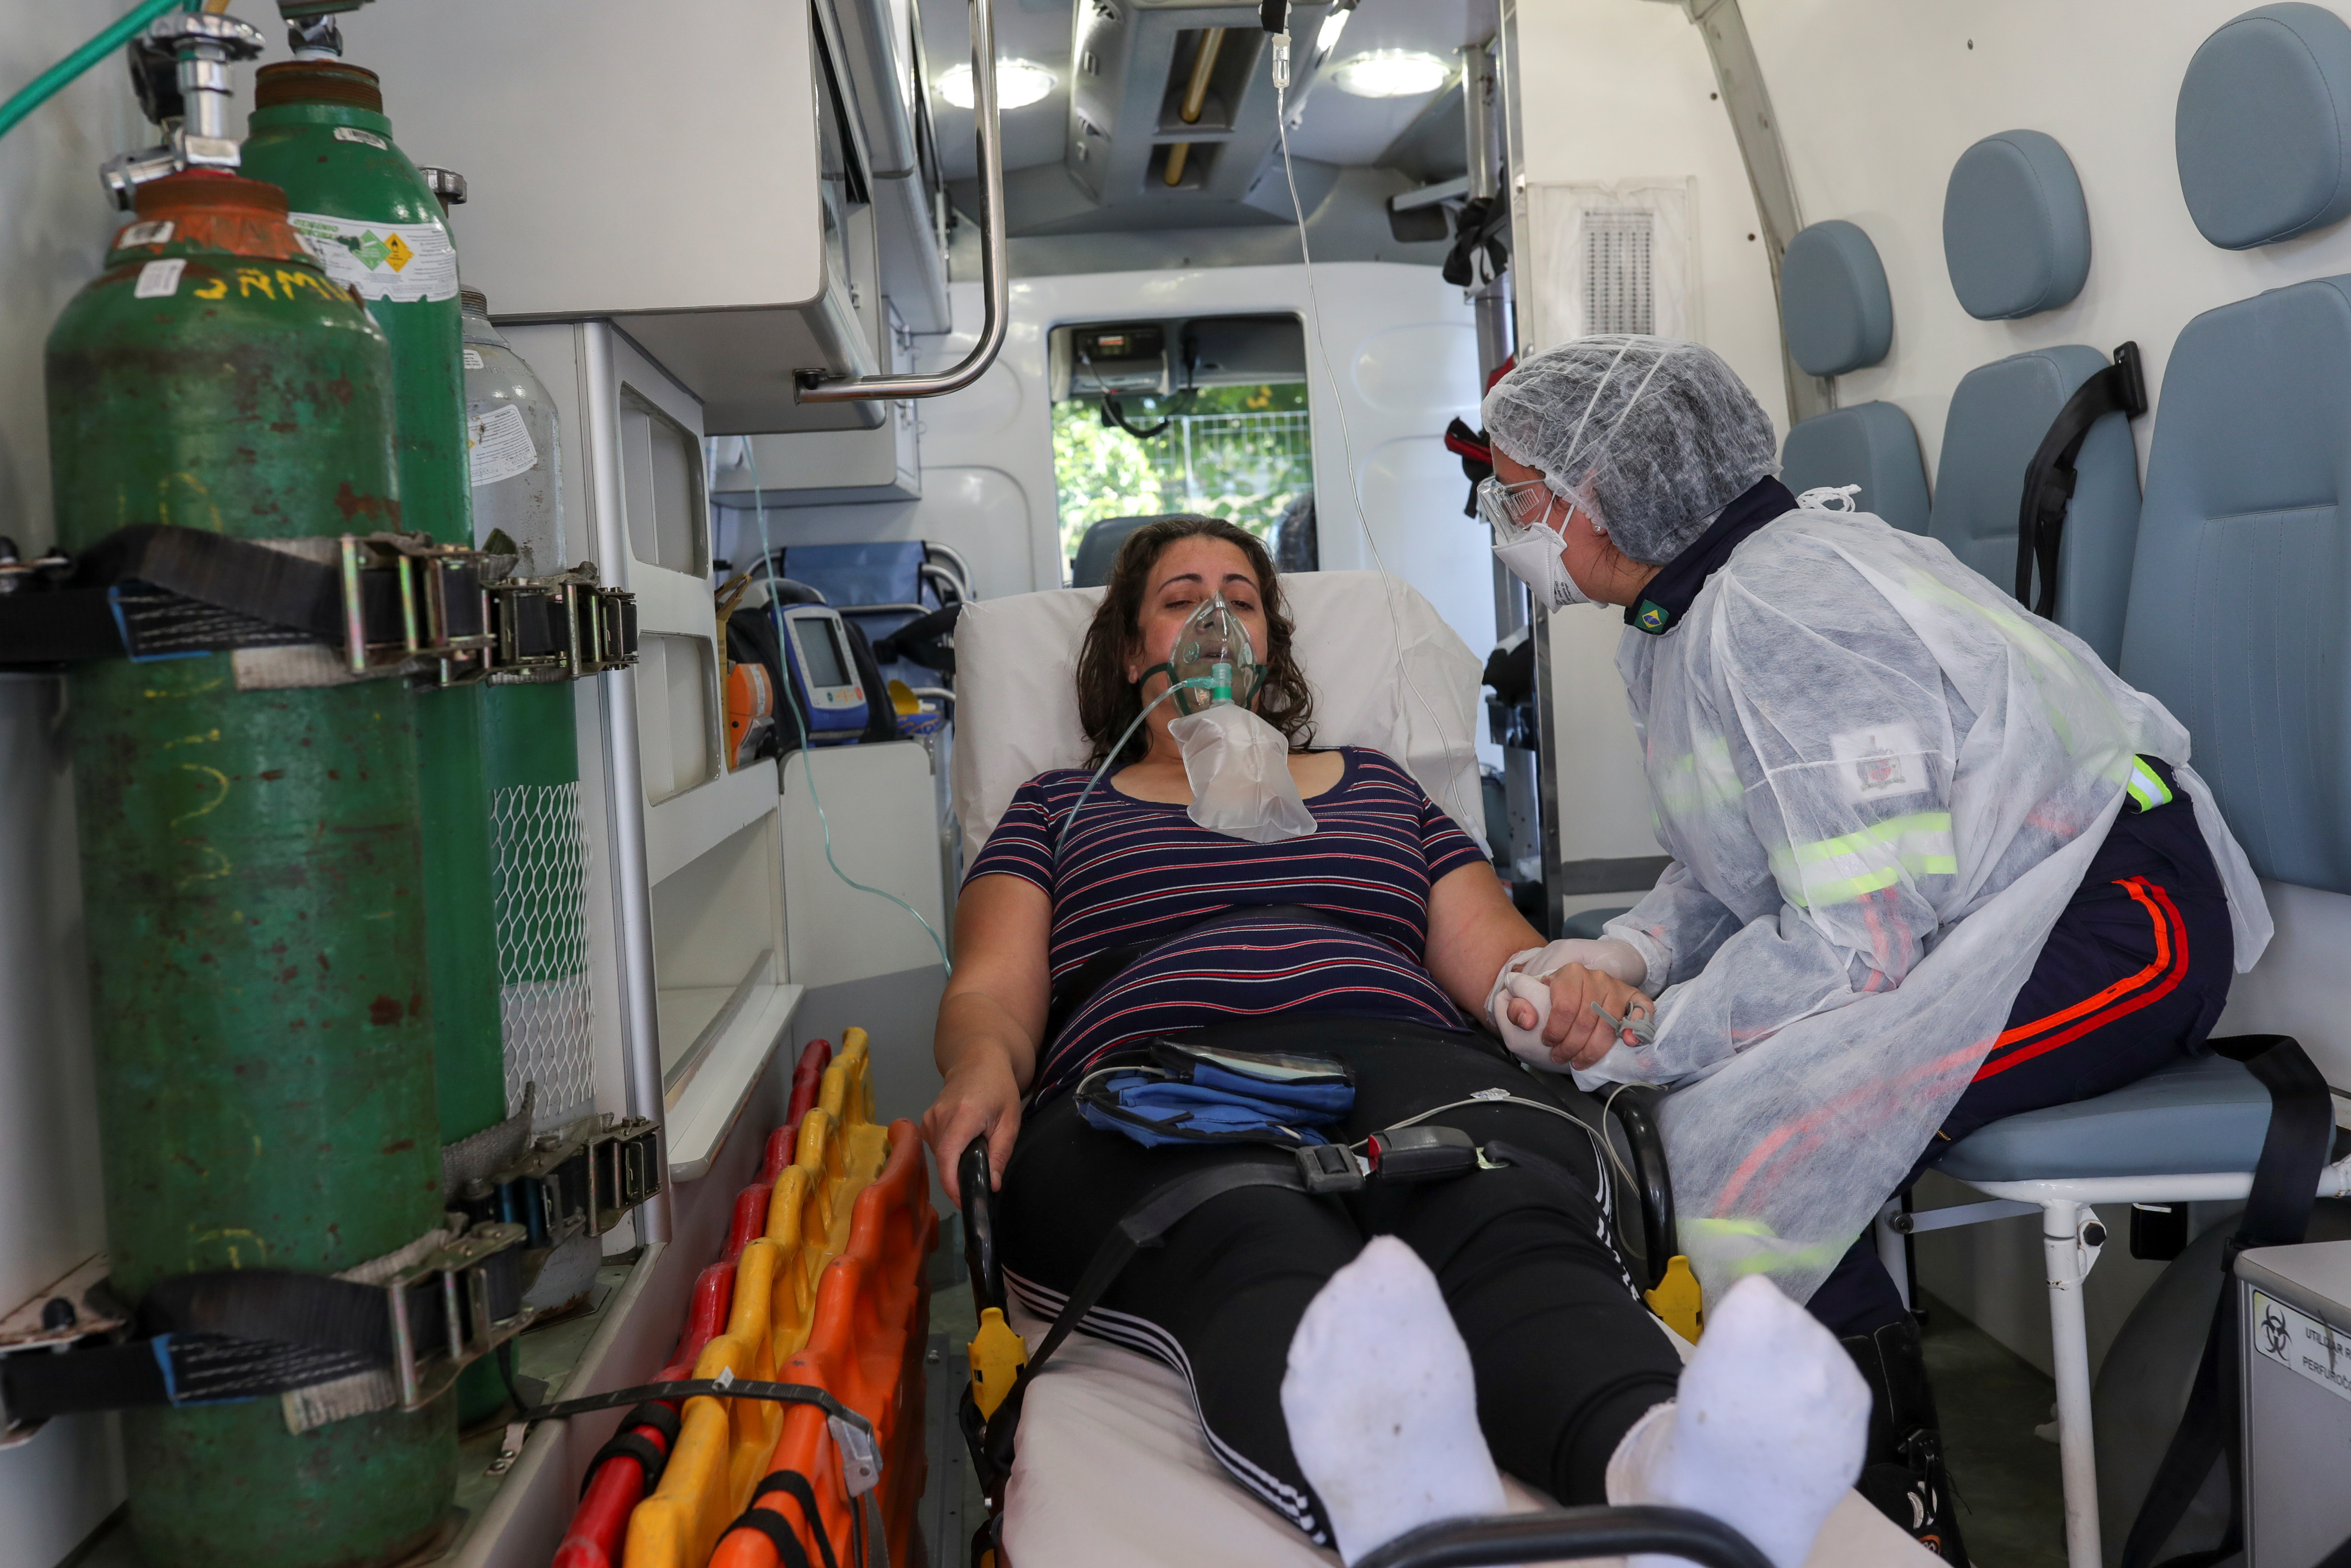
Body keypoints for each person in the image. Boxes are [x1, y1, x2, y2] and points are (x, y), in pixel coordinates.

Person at [921, 514, 1872, 1567]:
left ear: (1273, 644)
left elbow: (1506, 963)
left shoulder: (1377, 787)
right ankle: (1400, 1504)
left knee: (1504, 1213)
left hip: (1411, 1062)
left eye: (1240, 599)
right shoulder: (1059, 807)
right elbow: (993, 998)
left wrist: (1559, 997)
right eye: (1182, 599)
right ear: (1130, 648)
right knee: (1251, 1234)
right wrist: (978, 1068)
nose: (1216, 621)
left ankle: (1667, 1467)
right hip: (1158, 1086)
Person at [1474, 335, 2271, 1562]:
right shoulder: (1674, 621)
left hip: (2122, 920)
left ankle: (1882, 1523)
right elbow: (1738, 860)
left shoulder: (1795, 608)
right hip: (1985, 920)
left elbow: (1859, 949)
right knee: (1709, 1119)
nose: (1510, 521)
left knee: (1778, 1140)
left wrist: (1648, 1034)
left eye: (1522, 495)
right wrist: (1626, 960)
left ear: (1608, 491)